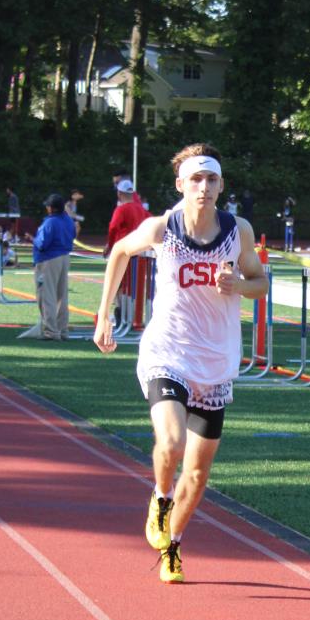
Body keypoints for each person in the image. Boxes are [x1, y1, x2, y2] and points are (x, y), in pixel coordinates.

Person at [93, 143, 268, 583]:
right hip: (167, 352)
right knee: (170, 444)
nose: (203, 187)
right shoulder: (161, 228)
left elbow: (260, 282)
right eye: (195, 179)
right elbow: (119, 252)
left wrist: (238, 285)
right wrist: (103, 316)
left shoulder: (238, 231)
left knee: (198, 472)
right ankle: (160, 495)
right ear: (180, 185)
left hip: (216, 361)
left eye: (211, 179)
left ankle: (172, 544)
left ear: (221, 186)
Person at [32, 194, 75, 340]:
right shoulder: (68, 220)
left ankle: (51, 331)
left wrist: (33, 240)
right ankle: (62, 330)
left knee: (47, 295)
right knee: (62, 296)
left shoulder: (50, 222)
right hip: (65, 257)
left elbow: (42, 243)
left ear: (51, 208)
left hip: (49, 259)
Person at [105, 179, 147, 253]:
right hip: (137, 248)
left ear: (119, 193)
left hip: (123, 249)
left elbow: (113, 227)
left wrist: (110, 245)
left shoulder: (121, 209)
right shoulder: (141, 209)